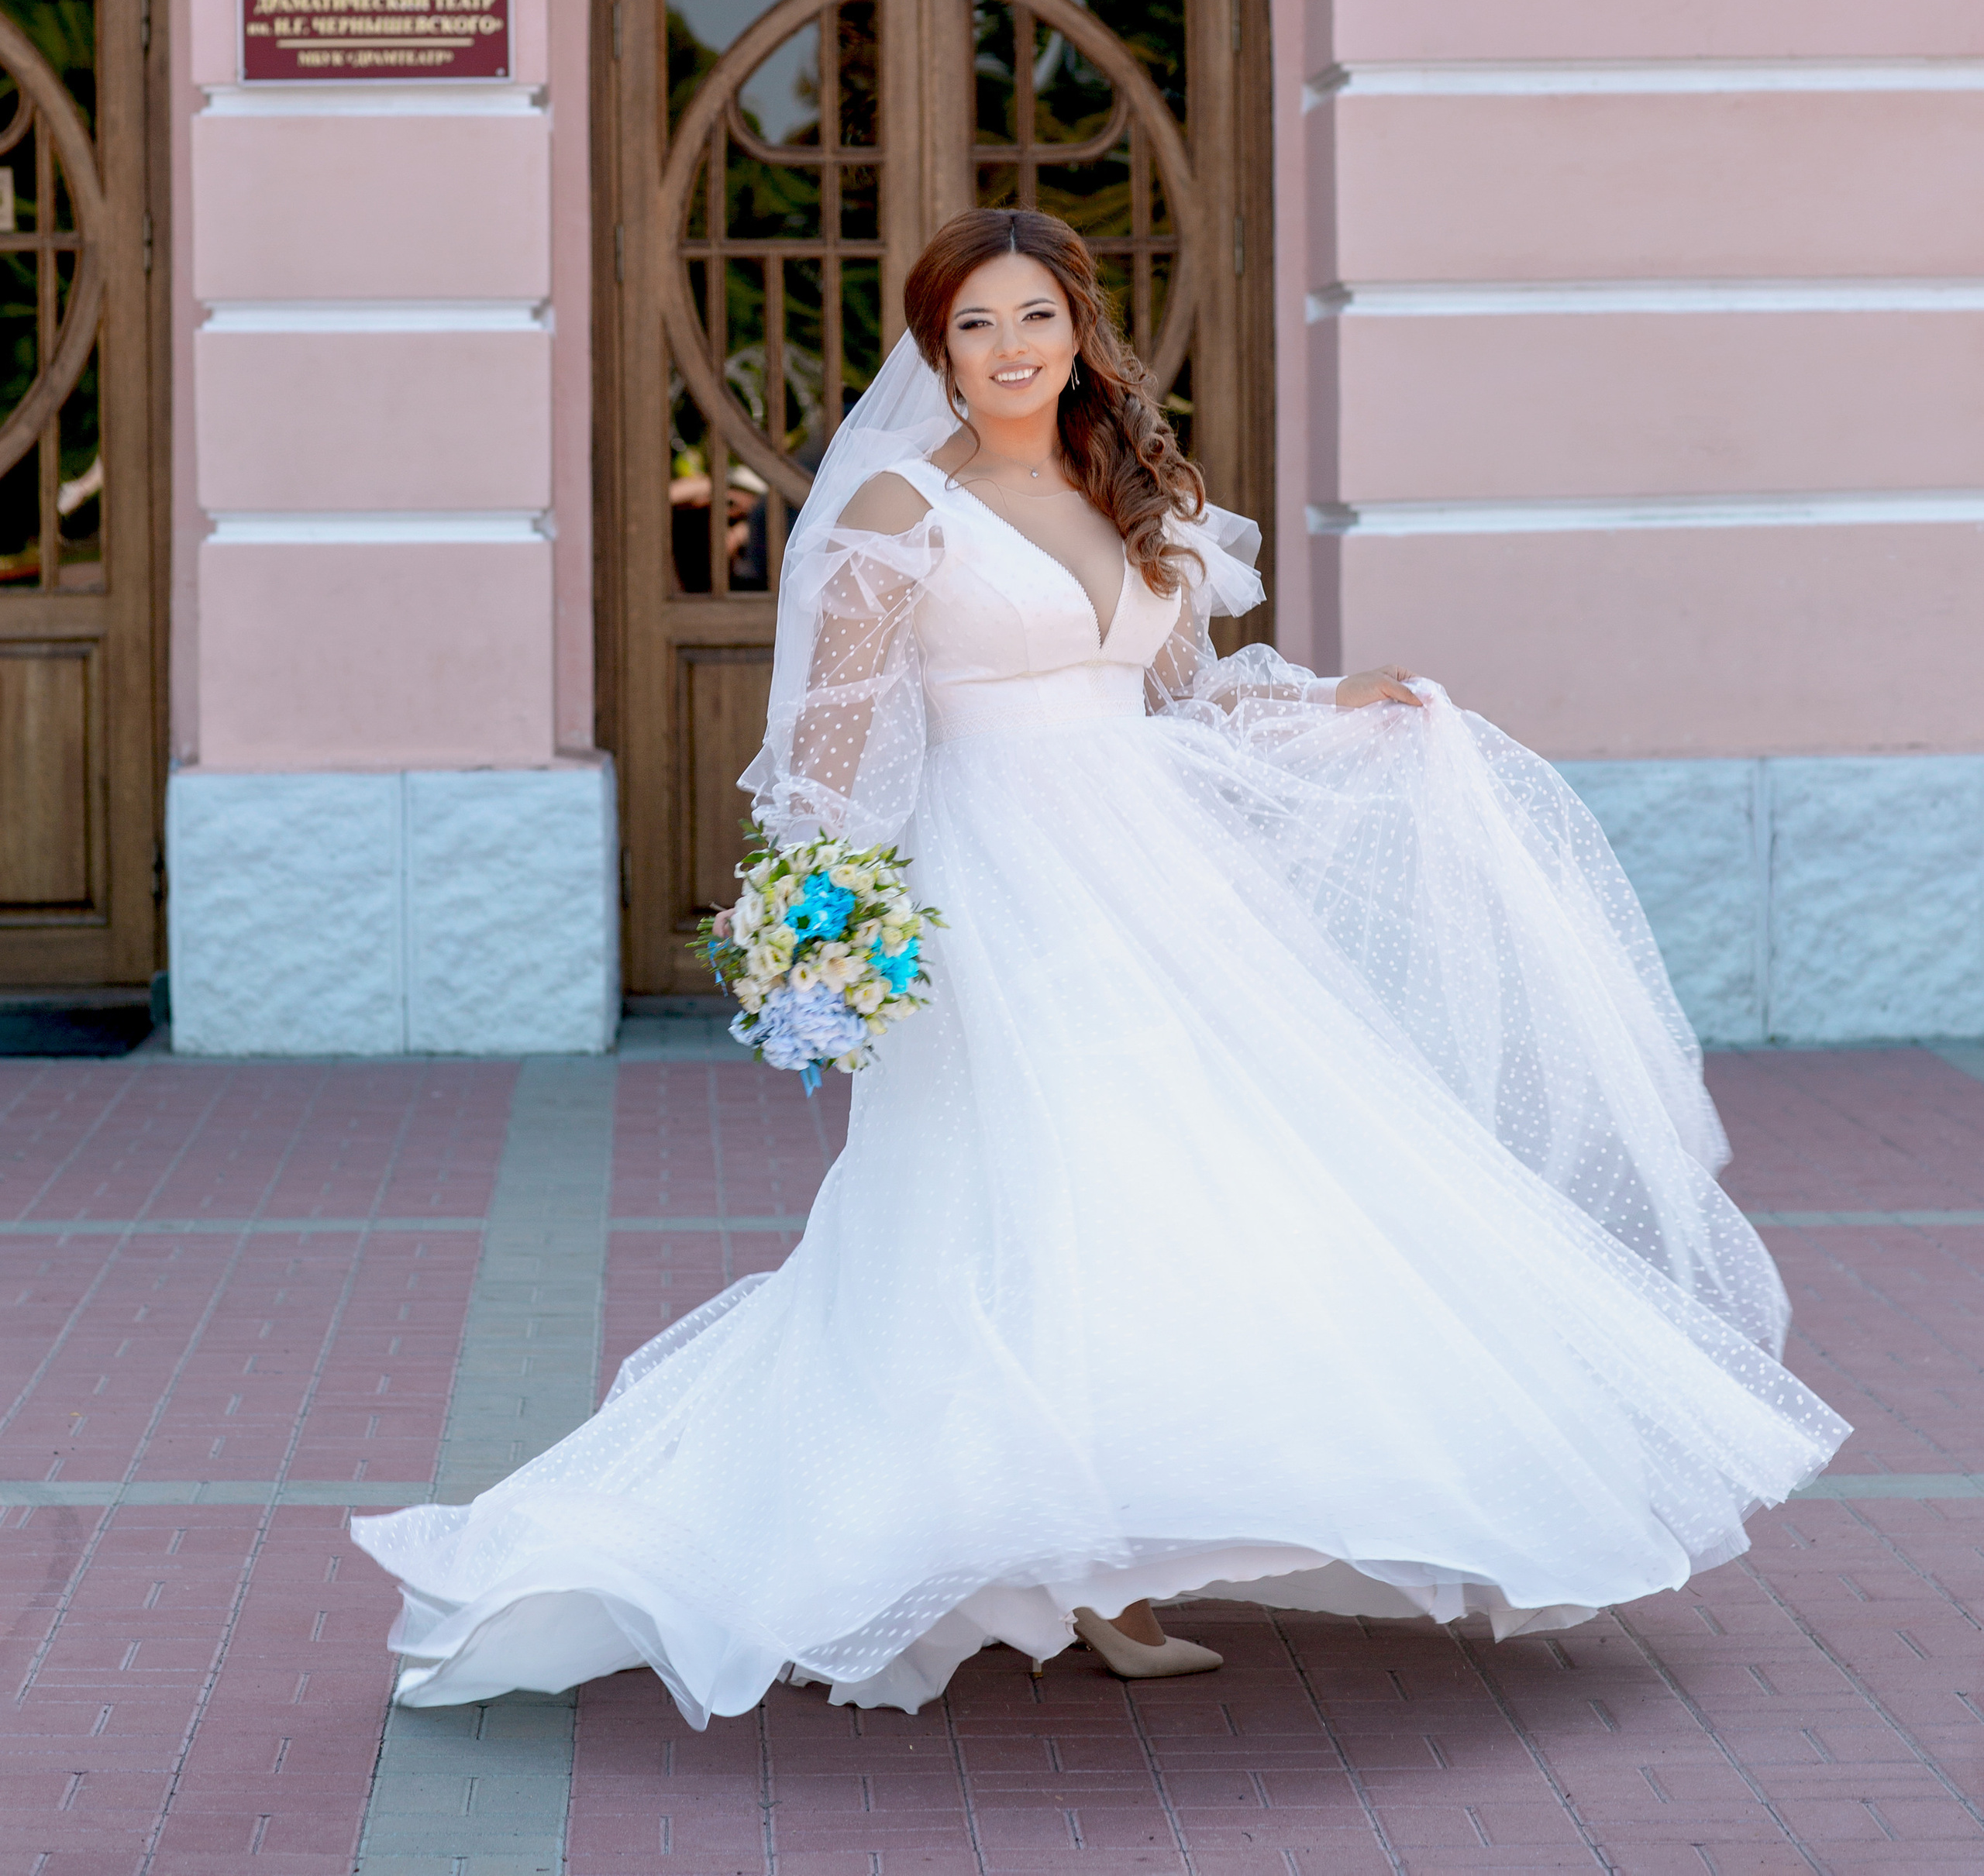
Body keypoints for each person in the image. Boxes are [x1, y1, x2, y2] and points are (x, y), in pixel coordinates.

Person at [353, 209, 1846, 1723]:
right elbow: (831, 742)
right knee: (1027, 1192)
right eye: (975, 326)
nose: (1009, 349)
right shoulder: (896, 507)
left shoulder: (1132, 491)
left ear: (1078, 333)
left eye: (1034, 318)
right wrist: (823, 919)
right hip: (993, 886)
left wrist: (1337, 699)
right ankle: (1009, 1559)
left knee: (1189, 1181)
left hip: (1153, 878)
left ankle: (1118, 1547)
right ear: (936, 351)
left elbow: (1183, 704)